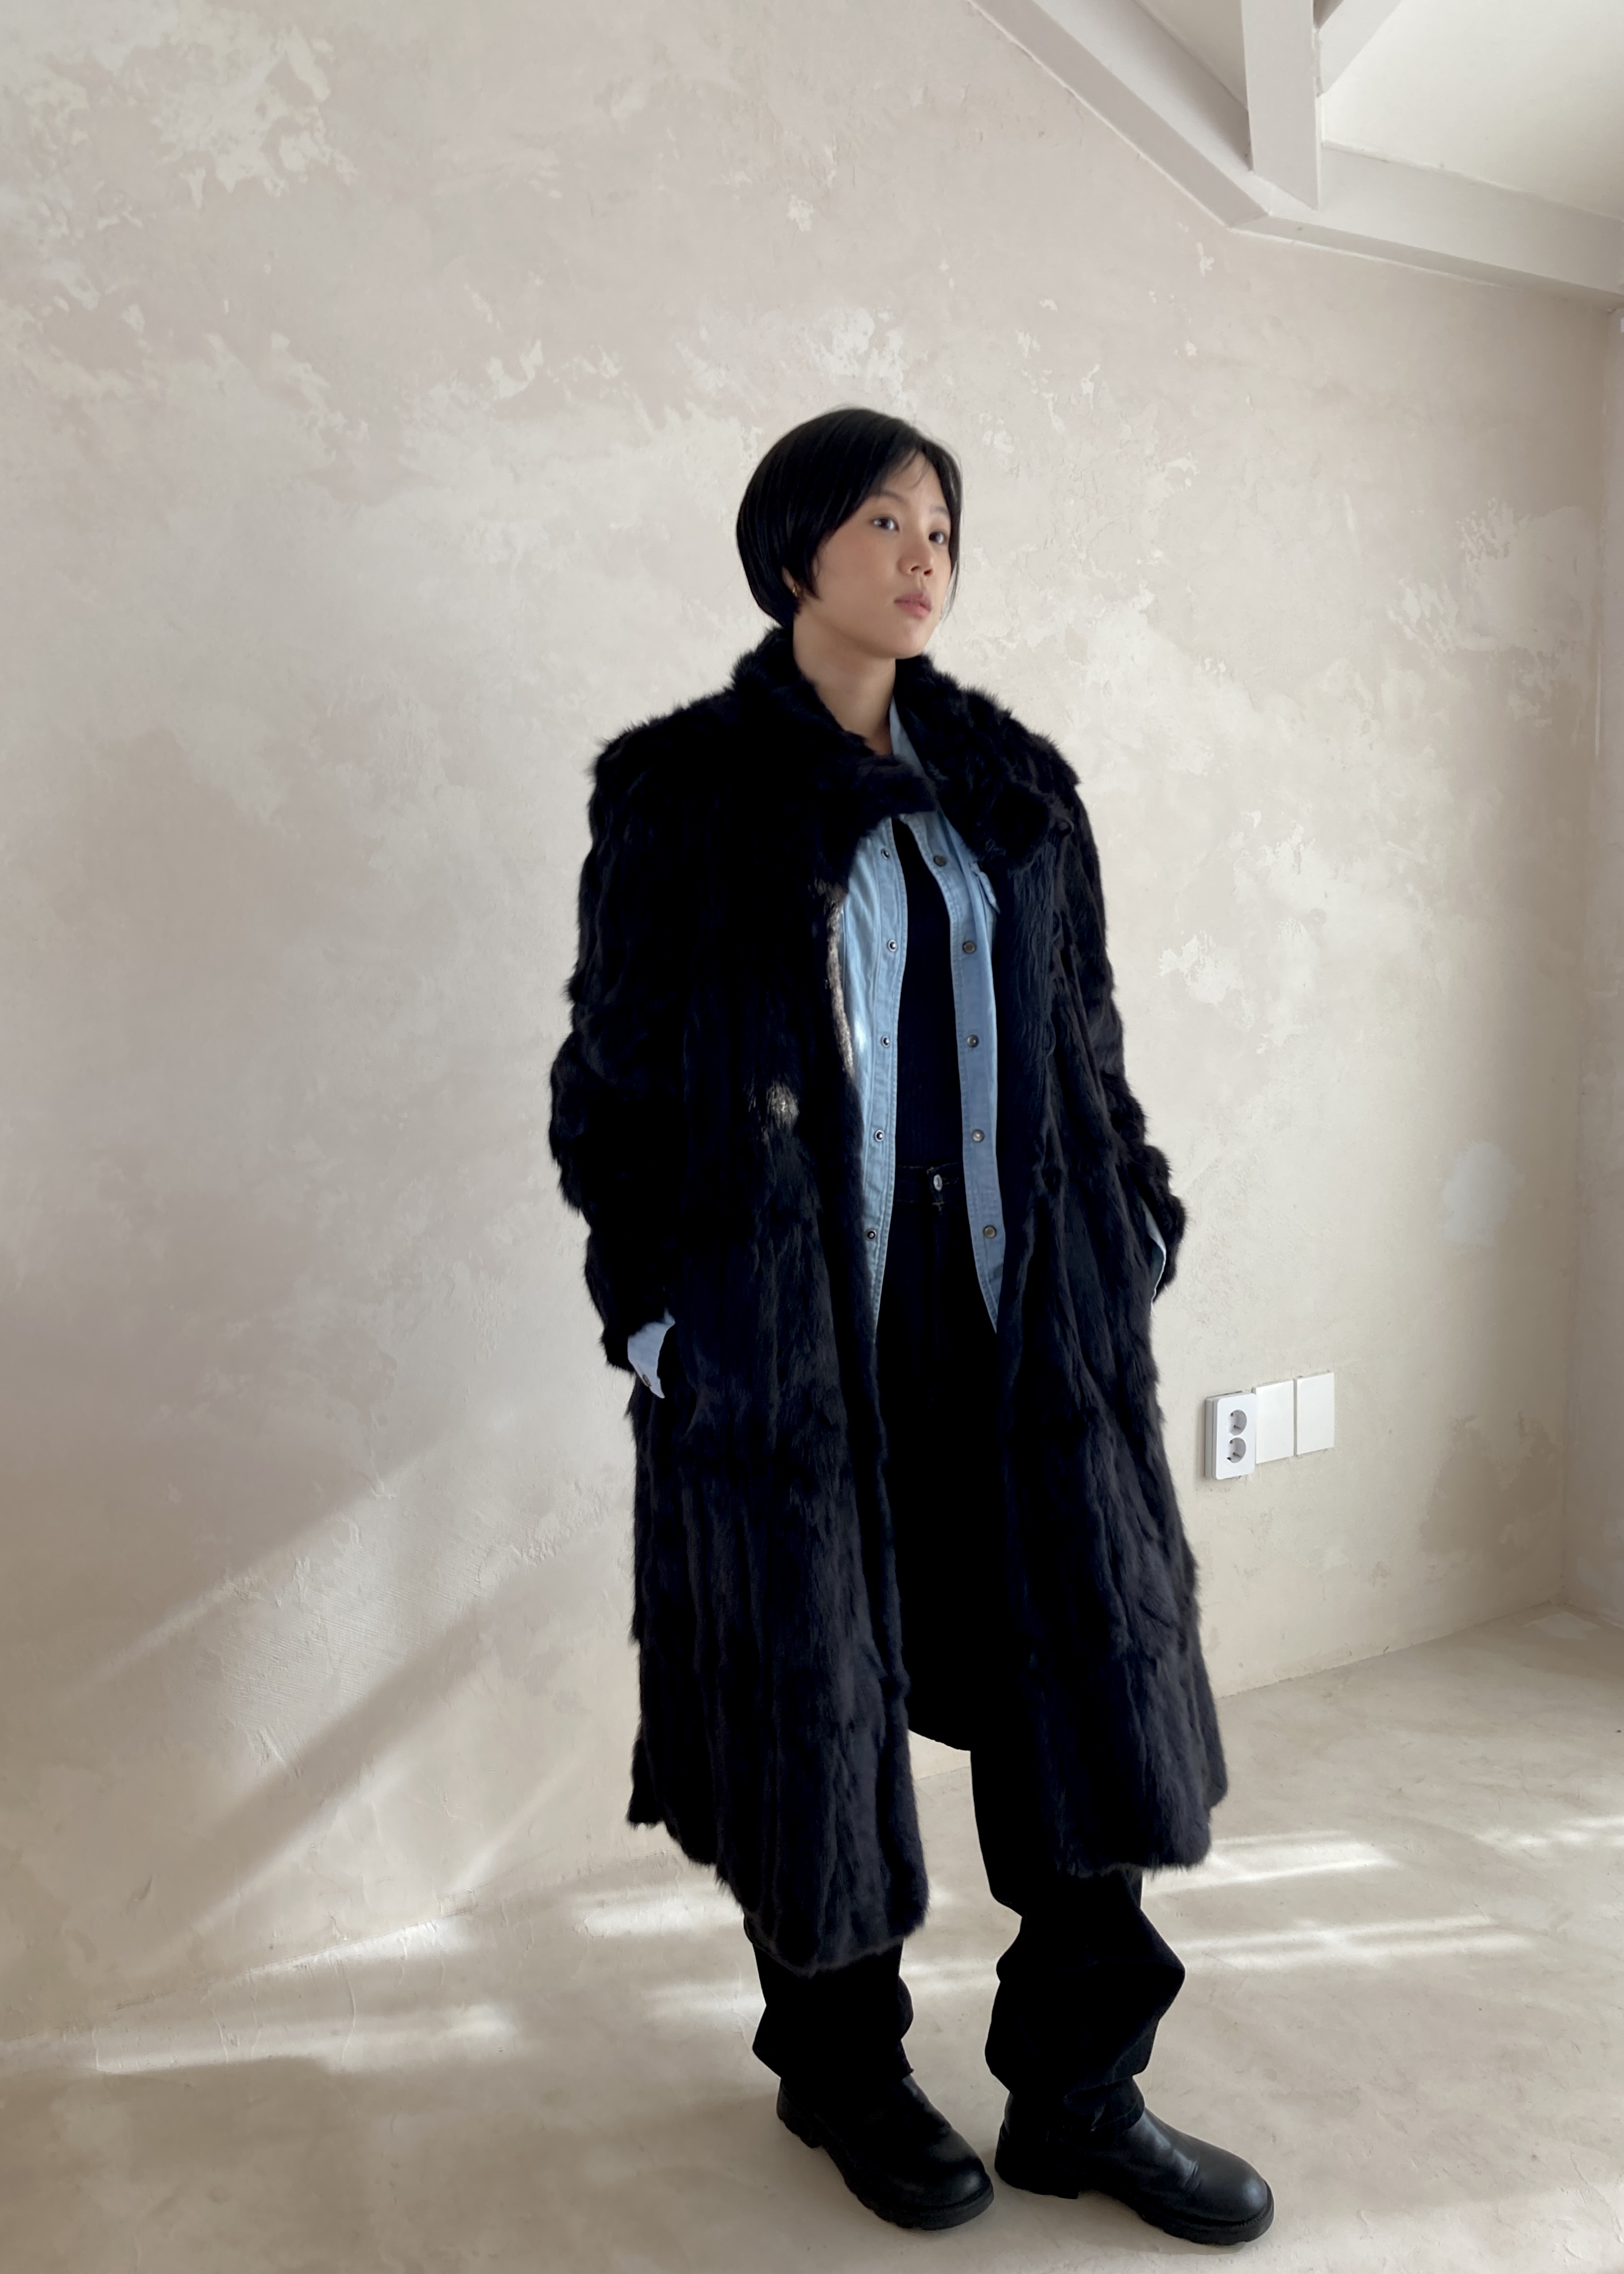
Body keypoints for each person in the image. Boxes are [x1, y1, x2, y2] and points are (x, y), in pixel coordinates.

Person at [550, 407, 1273, 2247]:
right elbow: (614, 1087)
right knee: (817, 1712)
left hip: (1024, 1339)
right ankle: (842, 2075)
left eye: (942, 524)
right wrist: (660, 1320)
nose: (923, 553)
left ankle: (1081, 2097)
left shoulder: (1015, 788)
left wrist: (1139, 1221)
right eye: (883, 520)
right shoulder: (683, 794)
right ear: (793, 549)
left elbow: (1085, 1047)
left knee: (1083, 1704)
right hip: (800, 1344)